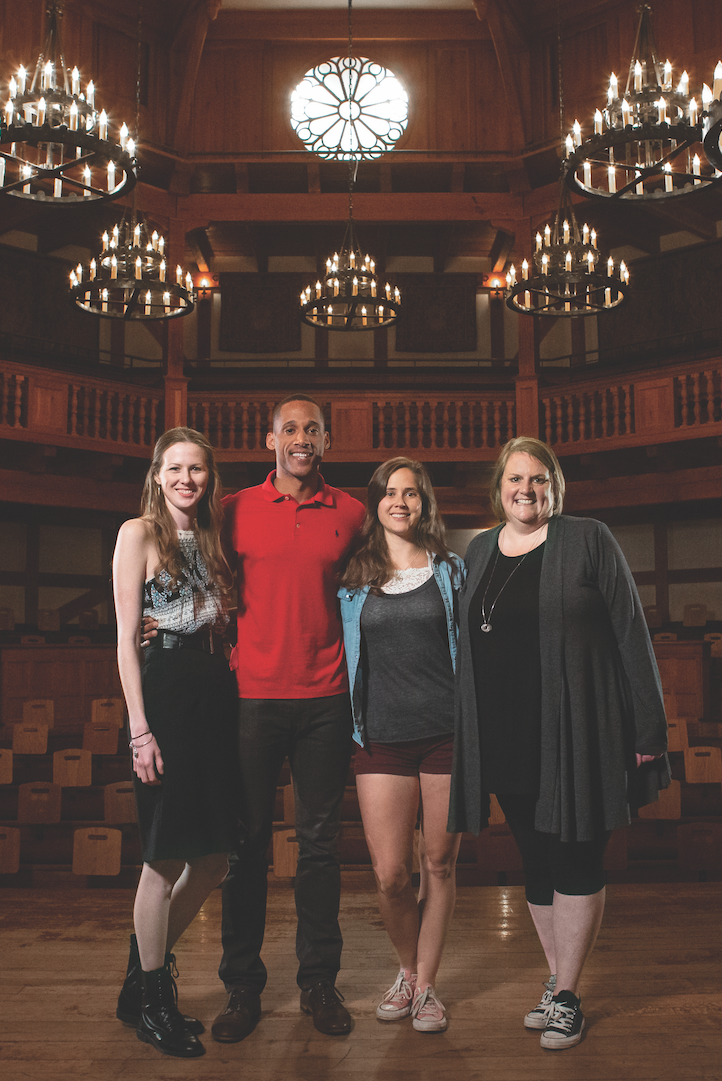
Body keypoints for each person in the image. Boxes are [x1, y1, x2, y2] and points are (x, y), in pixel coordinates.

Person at [448, 436, 669, 1050]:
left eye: (539, 480)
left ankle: (568, 995)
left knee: (576, 859)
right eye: (516, 479)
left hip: (579, 732)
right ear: (499, 488)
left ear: (555, 487)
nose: (527, 490)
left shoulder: (589, 539)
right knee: (537, 862)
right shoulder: (479, 549)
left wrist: (648, 729)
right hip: (507, 738)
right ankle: (556, 980)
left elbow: (631, 632)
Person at [210, 394, 365, 1041]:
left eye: (312, 429)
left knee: (319, 848)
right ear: (270, 437)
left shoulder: (353, 512)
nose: (301, 438)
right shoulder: (231, 510)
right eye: (290, 428)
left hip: (326, 698)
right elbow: (204, 587)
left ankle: (317, 983)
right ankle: (242, 986)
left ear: (325, 440)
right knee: (245, 849)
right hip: (250, 698)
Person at [113, 427, 237, 1058]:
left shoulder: (214, 538)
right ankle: (155, 999)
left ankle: (141, 977)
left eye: (197, 469)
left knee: (213, 858)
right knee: (163, 857)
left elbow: (221, 613)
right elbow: (125, 640)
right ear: (157, 475)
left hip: (215, 693)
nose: (187, 478)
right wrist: (140, 729)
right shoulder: (137, 533)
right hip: (162, 694)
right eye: (176, 468)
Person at [338, 458, 465, 1033]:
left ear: (424, 502)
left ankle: (427, 986)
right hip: (380, 738)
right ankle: (407, 970)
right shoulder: (351, 578)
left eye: (411, 493)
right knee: (392, 873)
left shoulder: (451, 571)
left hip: (446, 734)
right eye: (390, 493)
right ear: (376, 504)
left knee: (438, 863)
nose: (401, 502)